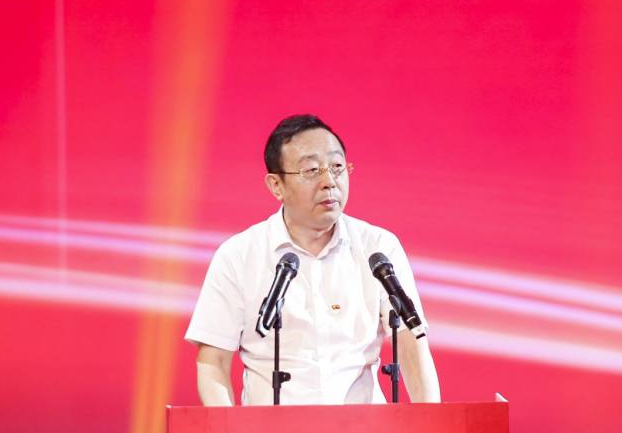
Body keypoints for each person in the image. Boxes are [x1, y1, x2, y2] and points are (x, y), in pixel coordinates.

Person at [185, 114, 441, 406]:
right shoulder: (238, 256)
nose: (329, 182)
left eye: (337, 167)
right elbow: (213, 362)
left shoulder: (378, 248)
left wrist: (429, 426)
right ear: (276, 185)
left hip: (364, 429)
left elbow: (411, 344)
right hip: (270, 432)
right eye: (311, 170)